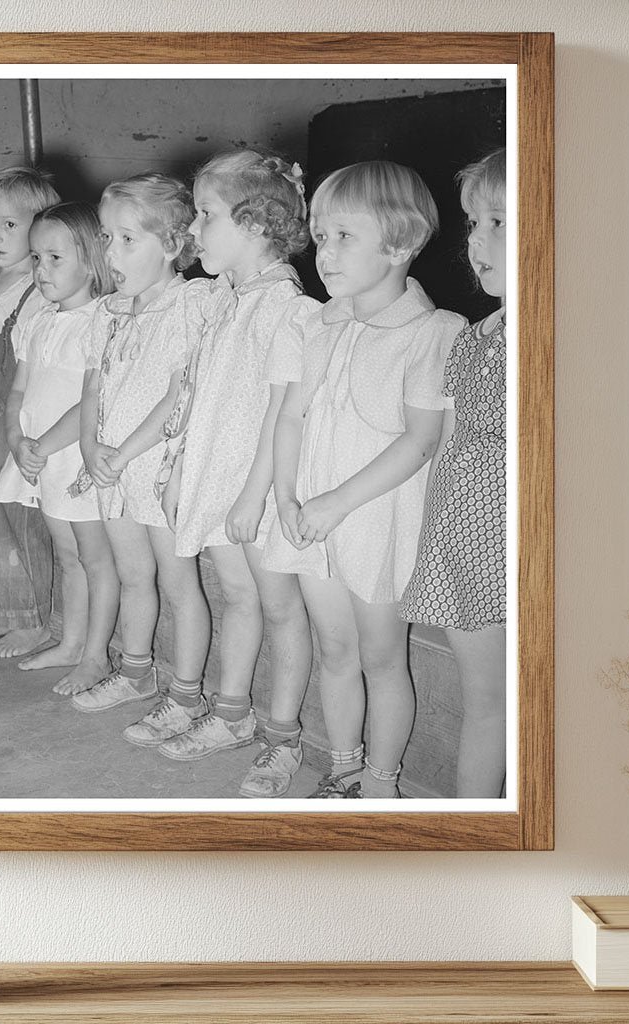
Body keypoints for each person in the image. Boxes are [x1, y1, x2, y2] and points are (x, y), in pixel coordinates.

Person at [262, 160, 466, 799]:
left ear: (401, 243)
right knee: (335, 650)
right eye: (320, 236)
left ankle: (381, 781)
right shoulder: (321, 325)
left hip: (376, 522)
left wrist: (334, 503)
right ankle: (343, 765)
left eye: (344, 235)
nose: (325, 252)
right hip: (309, 519)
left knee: (382, 657)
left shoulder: (433, 333)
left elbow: (420, 439)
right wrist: (288, 495)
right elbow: (290, 416)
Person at [153, 151, 320, 797]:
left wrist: (254, 495)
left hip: (256, 489)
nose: (194, 230)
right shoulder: (226, 300)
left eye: (205, 215)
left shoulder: (284, 305)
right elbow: (196, 393)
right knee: (239, 599)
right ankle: (230, 715)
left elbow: (282, 410)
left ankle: (283, 741)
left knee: (280, 609)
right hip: (214, 479)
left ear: (255, 223)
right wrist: (175, 471)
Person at [69, 174, 213, 748]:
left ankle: (187, 695)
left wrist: (124, 453)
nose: (111, 253)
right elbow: (92, 388)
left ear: (174, 244)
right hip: (111, 469)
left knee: (179, 584)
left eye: (128, 240)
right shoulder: (107, 312)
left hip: (155, 467)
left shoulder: (190, 305)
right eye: (107, 238)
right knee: (133, 577)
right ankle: (134, 672)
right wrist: (88, 446)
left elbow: (179, 394)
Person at [400, 149, 508, 799]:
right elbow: (445, 441)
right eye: (473, 222)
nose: (479, 240)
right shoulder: (475, 334)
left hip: (527, 540)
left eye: (500, 221)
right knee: (485, 704)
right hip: (466, 542)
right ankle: (472, 827)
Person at [0, 202, 121, 695]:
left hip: (73, 456)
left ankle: (95, 655)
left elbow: (93, 401)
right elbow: (19, 388)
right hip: (39, 456)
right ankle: (70, 643)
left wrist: (41, 444)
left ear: (90, 261)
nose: (41, 270)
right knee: (68, 555)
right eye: (37, 258)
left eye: (54, 259)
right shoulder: (39, 319)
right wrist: (15, 438)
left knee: (95, 558)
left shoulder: (102, 322)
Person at [0, 165, 61, 658]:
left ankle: (32, 618)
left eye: (9, 225)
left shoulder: (43, 290)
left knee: (16, 515)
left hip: (14, 418)